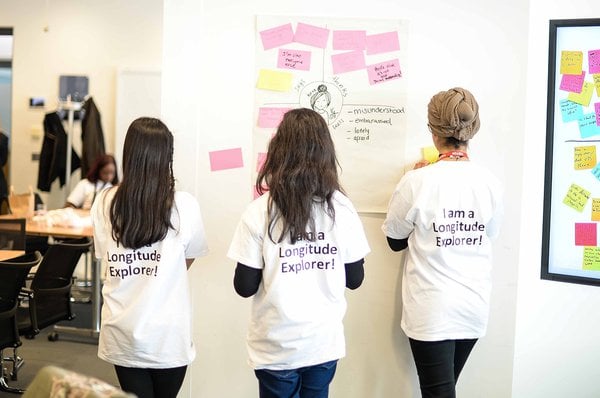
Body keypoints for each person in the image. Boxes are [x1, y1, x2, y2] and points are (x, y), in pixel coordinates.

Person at [228, 108, 370, 398]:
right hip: (322, 343)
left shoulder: (259, 211)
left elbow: (244, 287)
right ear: (326, 153)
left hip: (276, 345)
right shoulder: (341, 208)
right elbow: (355, 279)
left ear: (279, 151)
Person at [382, 87, 503, 398]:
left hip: (432, 309)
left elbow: (395, 241)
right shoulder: (489, 183)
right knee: (444, 390)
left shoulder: (416, 181)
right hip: (473, 307)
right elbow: (488, 233)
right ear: (472, 130)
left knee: (438, 393)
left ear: (433, 132)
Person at [90, 117, 209, 398]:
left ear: (129, 154)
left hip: (122, 329)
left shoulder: (104, 202)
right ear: (166, 156)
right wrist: (161, 272)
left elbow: (104, 258)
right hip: (167, 334)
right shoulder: (185, 205)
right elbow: (187, 261)